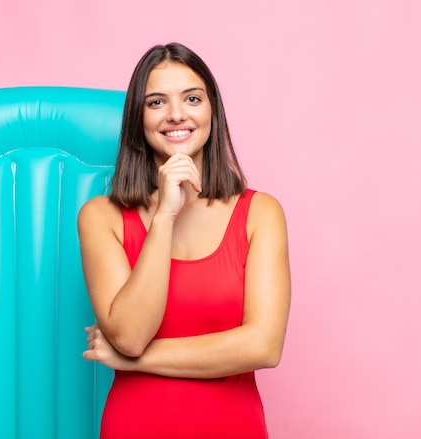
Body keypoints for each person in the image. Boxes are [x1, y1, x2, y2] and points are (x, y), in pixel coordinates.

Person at [78, 42, 291, 439]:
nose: (176, 114)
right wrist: (164, 217)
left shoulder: (261, 213)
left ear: (213, 109)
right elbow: (129, 336)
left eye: (192, 98)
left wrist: (135, 362)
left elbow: (264, 346)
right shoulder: (100, 216)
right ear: (137, 119)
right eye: (156, 102)